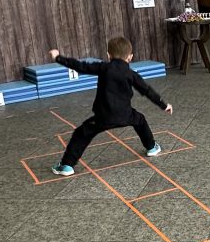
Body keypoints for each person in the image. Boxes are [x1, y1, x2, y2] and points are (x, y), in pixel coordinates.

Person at [48, 36, 173, 176]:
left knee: (81, 134)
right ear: (130, 57)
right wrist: (164, 105)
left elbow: (80, 66)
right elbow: (147, 91)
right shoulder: (131, 74)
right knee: (140, 120)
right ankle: (151, 147)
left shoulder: (103, 67)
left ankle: (66, 165)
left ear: (109, 55)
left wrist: (58, 57)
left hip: (103, 117)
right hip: (126, 115)